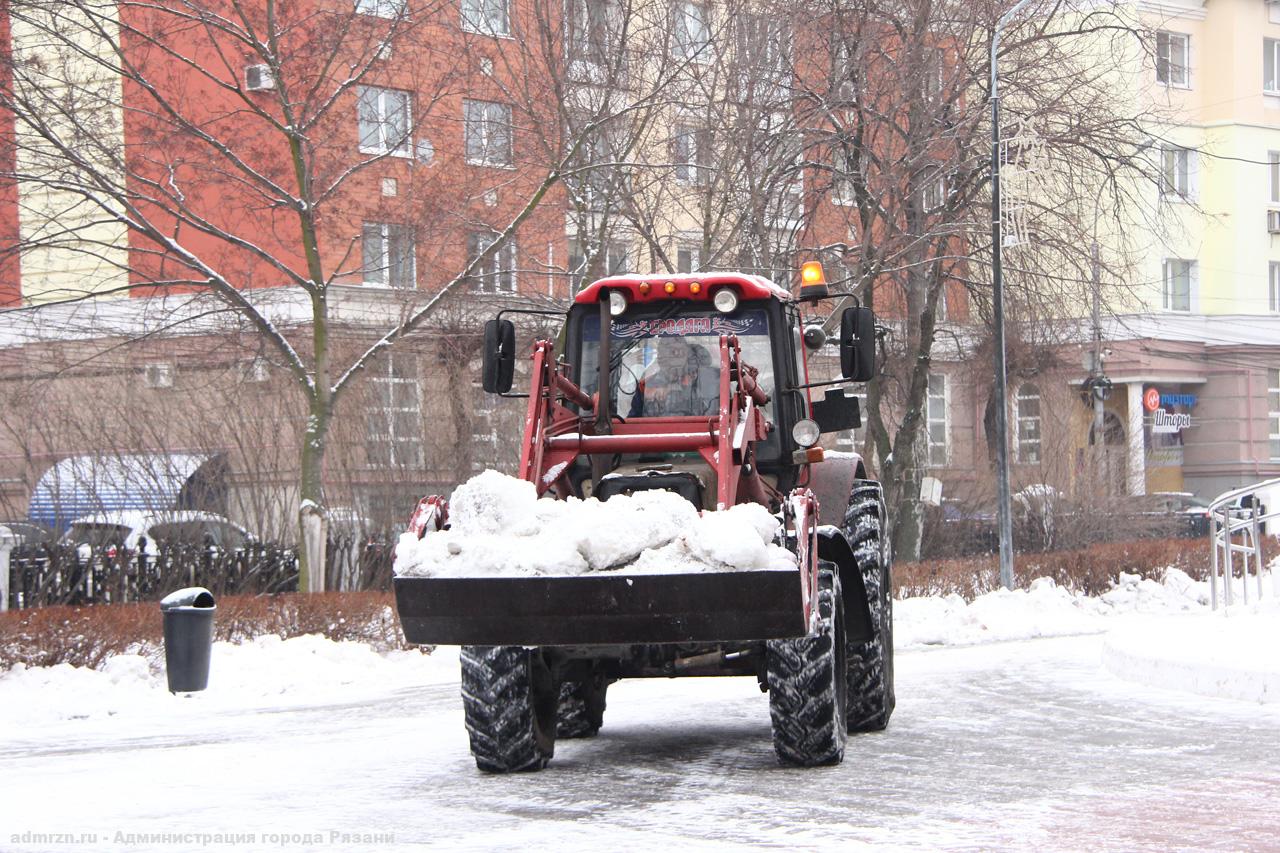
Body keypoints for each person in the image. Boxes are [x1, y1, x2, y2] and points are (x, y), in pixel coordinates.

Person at [627, 337, 717, 417]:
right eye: (671, 351)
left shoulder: (705, 381)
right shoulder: (646, 386)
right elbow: (632, 424)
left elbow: (719, 419)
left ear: (686, 355)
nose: (676, 355)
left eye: (680, 351)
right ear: (660, 357)